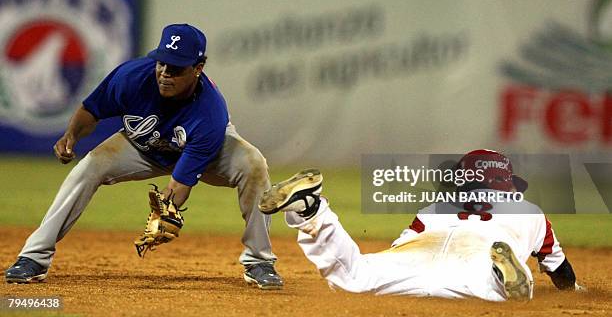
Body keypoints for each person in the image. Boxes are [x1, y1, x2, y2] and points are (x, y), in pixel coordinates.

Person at [5, 23, 283, 289]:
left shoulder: (209, 113)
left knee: (253, 164)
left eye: (175, 68)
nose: (164, 73)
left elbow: (180, 186)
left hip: (204, 151)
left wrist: (166, 211)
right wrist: (71, 136)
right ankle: (34, 257)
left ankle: (259, 261)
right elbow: (91, 110)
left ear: (198, 69)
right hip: (141, 146)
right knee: (89, 167)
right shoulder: (132, 77)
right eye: (162, 63)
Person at [258, 150, 582, 300]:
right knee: (500, 292)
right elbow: (560, 271)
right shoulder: (531, 212)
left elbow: (402, 245)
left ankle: (312, 211)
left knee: (354, 276)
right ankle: (503, 276)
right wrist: (573, 291)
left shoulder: (432, 209)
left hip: (411, 260)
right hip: (475, 264)